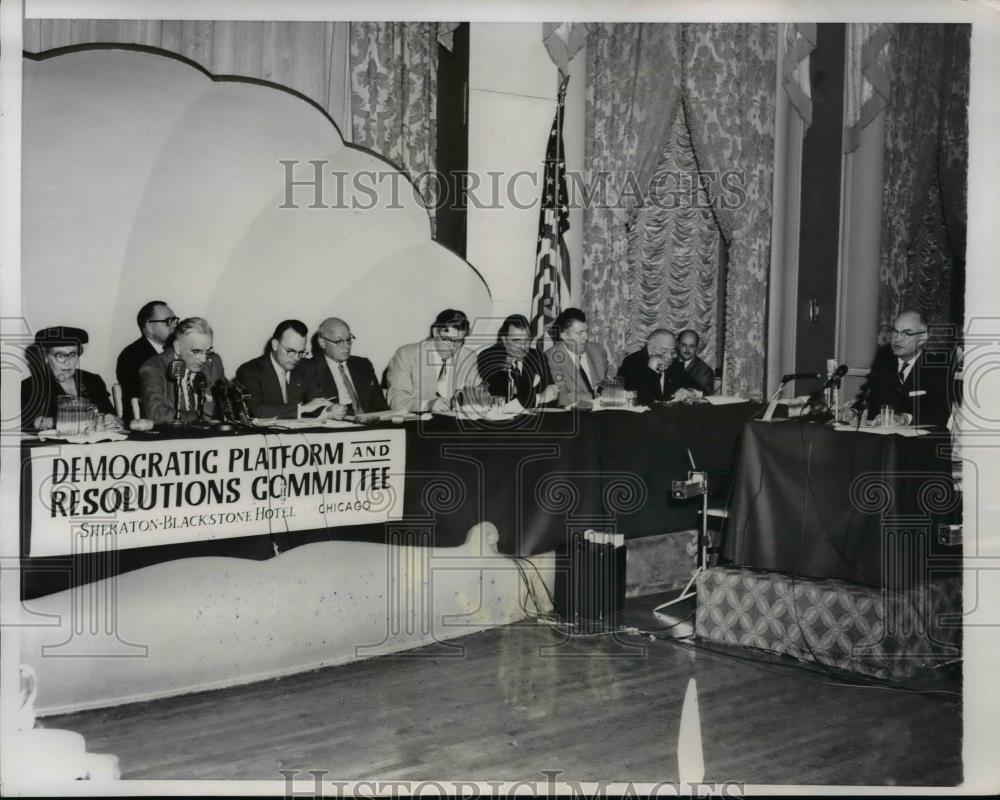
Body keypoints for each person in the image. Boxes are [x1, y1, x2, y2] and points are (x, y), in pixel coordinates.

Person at [858, 309, 954, 428]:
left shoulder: (937, 368)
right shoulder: (884, 362)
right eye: (895, 332)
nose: (897, 339)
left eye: (906, 333)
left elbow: (940, 414)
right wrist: (854, 410)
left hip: (919, 442)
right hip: (882, 439)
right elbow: (869, 400)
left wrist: (904, 418)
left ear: (923, 338)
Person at [21, 326, 119, 432]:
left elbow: (116, 419)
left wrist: (113, 421)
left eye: (73, 354)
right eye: (60, 355)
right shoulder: (30, 386)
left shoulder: (92, 380)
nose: (68, 362)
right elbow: (27, 422)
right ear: (46, 356)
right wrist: (60, 421)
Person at [234, 320, 334, 420]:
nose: (296, 358)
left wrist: (329, 410)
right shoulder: (250, 371)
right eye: (291, 351)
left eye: (301, 352)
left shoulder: (306, 367)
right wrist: (301, 409)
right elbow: (254, 410)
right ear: (275, 345)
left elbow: (316, 402)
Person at [386, 309, 480, 412]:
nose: (452, 347)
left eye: (458, 341)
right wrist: (427, 405)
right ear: (435, 332)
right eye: (446, 339)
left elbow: (477, 394)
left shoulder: (468, 357)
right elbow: (396, 400)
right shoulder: (407, 355)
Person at [139, 317, 226, 424]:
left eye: (208, 351)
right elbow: (156, 415)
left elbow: (227, 404)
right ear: (178, 347)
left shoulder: (214, 362)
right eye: (196, 351)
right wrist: (201, 418)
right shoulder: (153, 368)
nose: (203, 359)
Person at [298, 317, 387, 416]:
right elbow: (313, 408)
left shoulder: (363, 365)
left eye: (348, 339)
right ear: (322, 342)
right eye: (339, 341)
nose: (346, 346)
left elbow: (381, 406)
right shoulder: (309, 368)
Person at [476, 314, 559, 408]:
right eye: (517, 341)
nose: (523, 347)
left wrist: (546, 396)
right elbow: (503, 394)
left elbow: (552, 395)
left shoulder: (538, 357)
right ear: (504, 340)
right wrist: (540, 398)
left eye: (527, 340)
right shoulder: (489, 357)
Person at [116, 300, 178, 420]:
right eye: (169, 321)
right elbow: (146, 400)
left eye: (175, 320)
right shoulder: (131, 356)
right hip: (147, 421)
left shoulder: (177, 350)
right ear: (150, 327)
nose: (174, 325)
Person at [544, 307, 611, 408]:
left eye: (586, 331)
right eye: (580, 333)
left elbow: (608, 387)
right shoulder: (552, 357)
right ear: (564, 336)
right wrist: (594, 395)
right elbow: (563, 397)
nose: (586, 337)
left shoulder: (598, 350)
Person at [617, 329, 703, 405]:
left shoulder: (675, 365)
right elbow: (642, 398)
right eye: (664, 351)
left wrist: (690, 392)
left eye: (672, 351)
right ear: (650, 348)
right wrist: (651, 368)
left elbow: (701, 389)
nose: (669, 356)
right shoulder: (632, 362)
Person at [677, 329, 715, 395]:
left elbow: (705, 396)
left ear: (697, 347)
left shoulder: (705, 371)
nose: (687, 349)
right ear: (678, 345)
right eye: (684, 345)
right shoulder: (669, 363)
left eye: (692, 346)